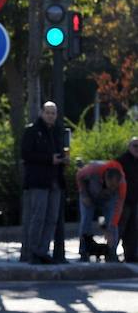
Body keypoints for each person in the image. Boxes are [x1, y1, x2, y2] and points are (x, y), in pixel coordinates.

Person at [20, 101, 67, 264]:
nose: (50, 116)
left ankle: (43, 250)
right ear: (41, 113)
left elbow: (61, 152)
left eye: (53, 113)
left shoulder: (58, 132)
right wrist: (49, 159)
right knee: (37, 217)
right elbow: (25, 154)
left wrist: (63, 159)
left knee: (52, 218)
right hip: (38, 181)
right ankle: (32, 251)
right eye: (47, 112)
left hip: (55, 181)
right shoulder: (32, 131)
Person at [76, 160, 126, 262]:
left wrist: (110, 227)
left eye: (115, 187)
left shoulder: (122, 185)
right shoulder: (93, 169)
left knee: (113, 225)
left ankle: (112, 253)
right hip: (89, 194)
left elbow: (118, 208)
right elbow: (79, 175)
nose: (112, 188)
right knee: (86, 221)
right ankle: (84, 252)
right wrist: (83, 193)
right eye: (111, 185)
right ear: (105, 178)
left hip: (109, 199)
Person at [116, 137, 138, 263]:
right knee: (120, 228)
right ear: (129, 147)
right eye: (135, 146)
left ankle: (131, 255)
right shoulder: (121, 161)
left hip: (135, 200)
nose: (137, 149)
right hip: (123, 201)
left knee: (134, 230)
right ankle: (111, 253)